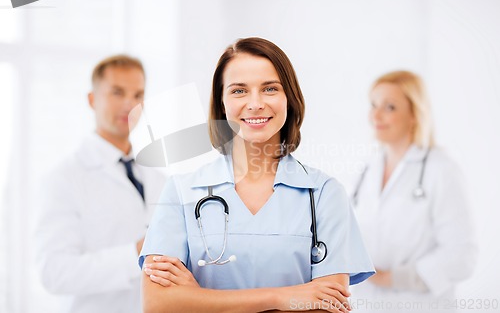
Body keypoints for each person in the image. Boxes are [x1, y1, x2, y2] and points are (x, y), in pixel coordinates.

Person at [139, 37, 374, 313]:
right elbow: (158, 304)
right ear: (222, 102)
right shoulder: (180, 192)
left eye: (270, 89)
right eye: (239, 91)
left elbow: (327, 308)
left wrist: (198, 299)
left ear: (290, 98)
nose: (255, 103)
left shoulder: (324, 194)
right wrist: (283, 297)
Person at [35, 55, 166, 313]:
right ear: (92, 100)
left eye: (138, 94)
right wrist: (136, 254)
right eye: (117, 92)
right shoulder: (63, 178)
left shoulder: (158, 178)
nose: (129, 104)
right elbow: (54, 272)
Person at [350, 71, 478, 312]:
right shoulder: (367, 168)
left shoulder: (442, 169)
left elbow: (463, 256)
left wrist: (396, 278)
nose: (375, 115)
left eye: (389, 107)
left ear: (414, 114)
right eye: (373, 105)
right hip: (366, 303)